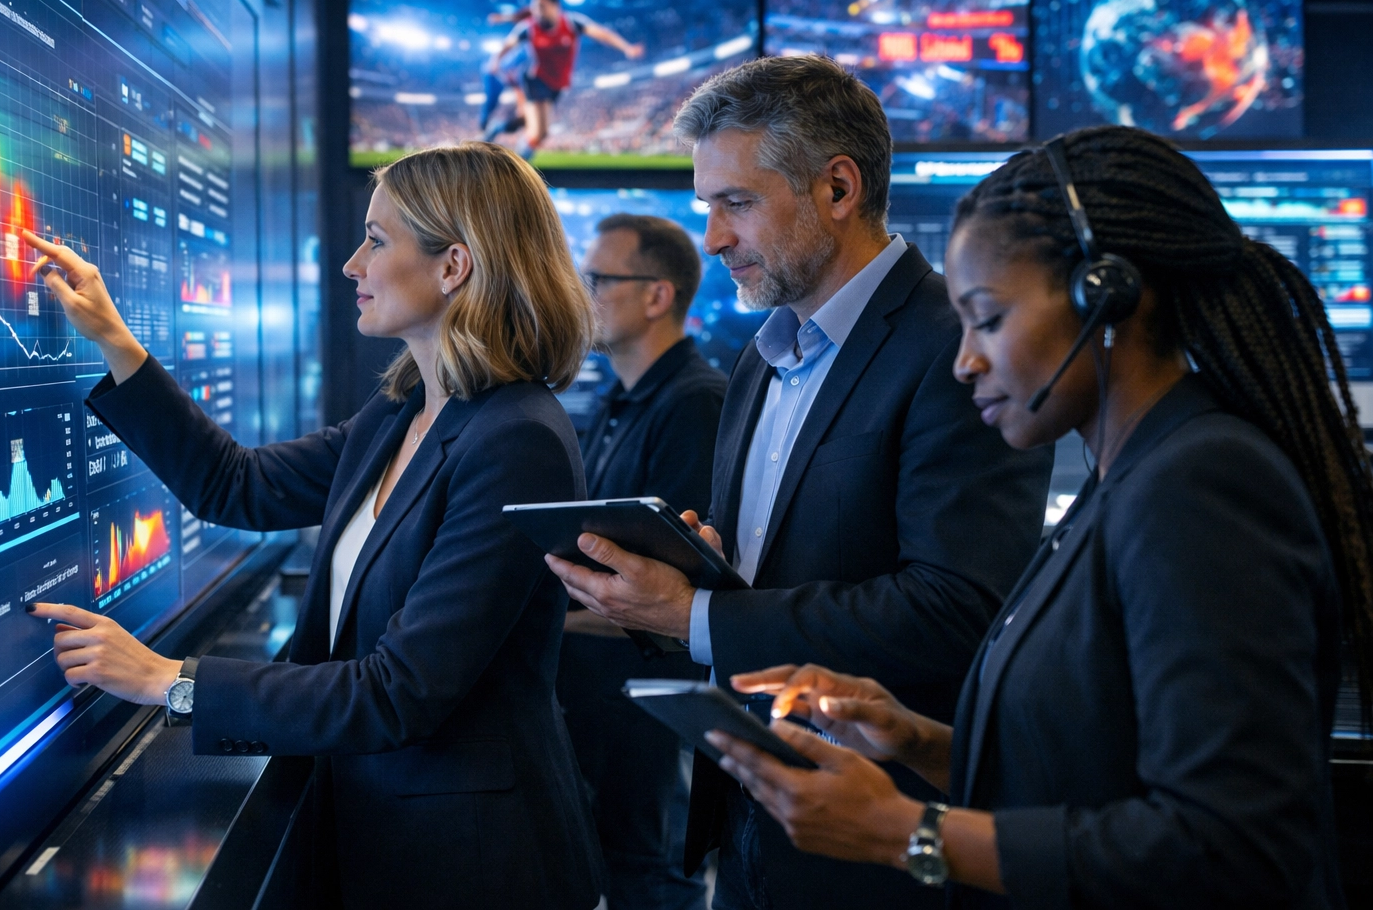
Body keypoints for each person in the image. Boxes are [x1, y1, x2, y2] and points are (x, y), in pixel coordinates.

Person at [706, 125, 1373, 910]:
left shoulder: (1202, 482)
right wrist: (913, 739)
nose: (966, 361)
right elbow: (1091, 769)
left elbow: (1230, 847)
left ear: (1106, 295)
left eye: (986, 320)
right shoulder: (1128, 473)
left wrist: (908, 834)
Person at [19, 142, 606, 910]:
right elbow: (240, 486)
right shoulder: (404, 412)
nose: (352, 265)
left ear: (454, 265)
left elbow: (401, 691)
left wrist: (171, 682)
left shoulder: (516, 438)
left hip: (471, 865)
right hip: (383, 833)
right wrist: (114, 341)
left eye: (377, 239)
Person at [545, 54, 1053, 910]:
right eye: (709, 207)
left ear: (839, 189)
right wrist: (698, 574)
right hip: (752, 814)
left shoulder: (949, 348)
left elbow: (960, 606)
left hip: (887, 844)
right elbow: (784, 577)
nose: (712, 238)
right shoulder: (760, 355)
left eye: (736, 204)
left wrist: (697, 613)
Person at [558, 213, 727, 910]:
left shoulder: (696, 405)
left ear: (658, 296)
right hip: (602, 727)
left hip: (653, 740)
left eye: (598, 279)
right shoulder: (613, 401)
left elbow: (667, 598)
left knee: (651, 885)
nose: (582, 291)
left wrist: (539, 620)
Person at [483, 0, 645, 159]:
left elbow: (602, 34)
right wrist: (495, 62)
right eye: (535, 8)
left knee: (526, 122)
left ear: (555, 5)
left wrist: (626, 47)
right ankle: (516, 168)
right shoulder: (528, 28)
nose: (537, 12)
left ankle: (498, 127)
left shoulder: (572, 23)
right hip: (535, 79)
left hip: (557, 85)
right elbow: (508, 45)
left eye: (542, 6)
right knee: (540, 133)